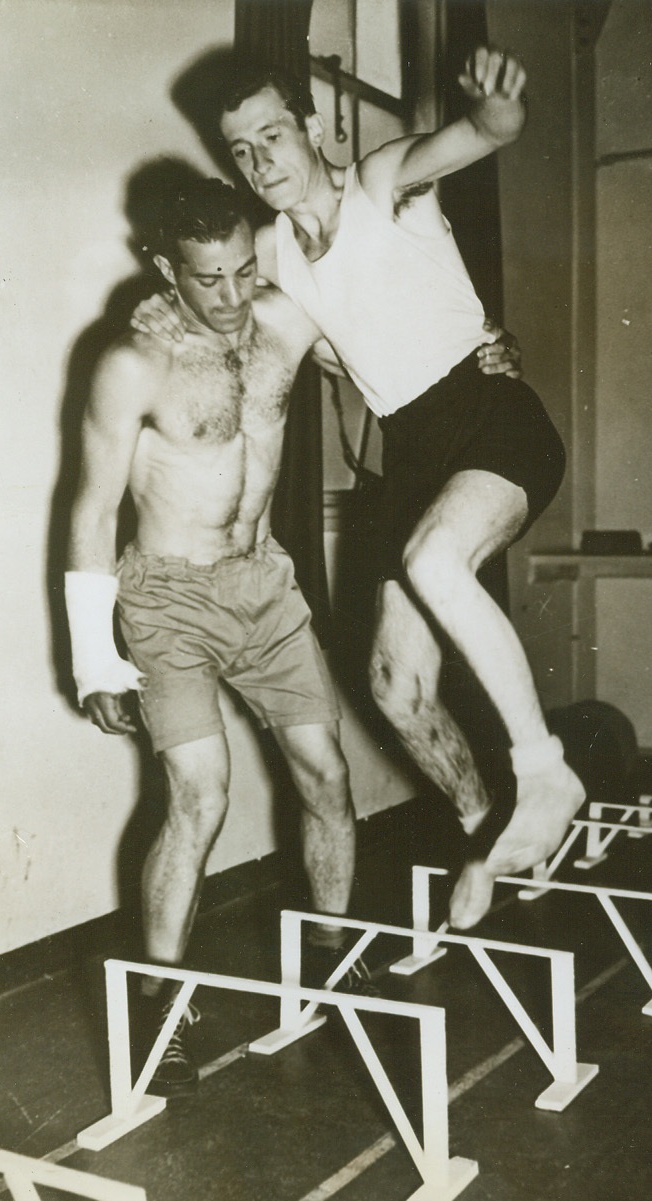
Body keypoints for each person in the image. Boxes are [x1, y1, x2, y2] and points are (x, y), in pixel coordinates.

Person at [66, 177, 519, 1097]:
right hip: (169, 598)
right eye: (207, 280)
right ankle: (161, 1003)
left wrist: (482, 355)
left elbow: (396, 356)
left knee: (327, 777)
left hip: (265, 585)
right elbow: (89, 511)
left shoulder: (286, 321)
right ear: (165, 270)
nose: (231, 298)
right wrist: (92, 655)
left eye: (242, 270)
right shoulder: (132, 364)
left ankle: (327, 960)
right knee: (200, 793)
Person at [134, 46, 585, 932]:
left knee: (437, 561)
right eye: (242, 149)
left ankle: (545, 769)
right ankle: (487, 835)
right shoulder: (268, 255)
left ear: (313, 125)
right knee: (393, 685)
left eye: (274, 134)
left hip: (491, 414)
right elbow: (212, 304)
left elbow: (480, 135)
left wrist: (499, 108)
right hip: (411, 450)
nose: (263, 161)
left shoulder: (384, 185)